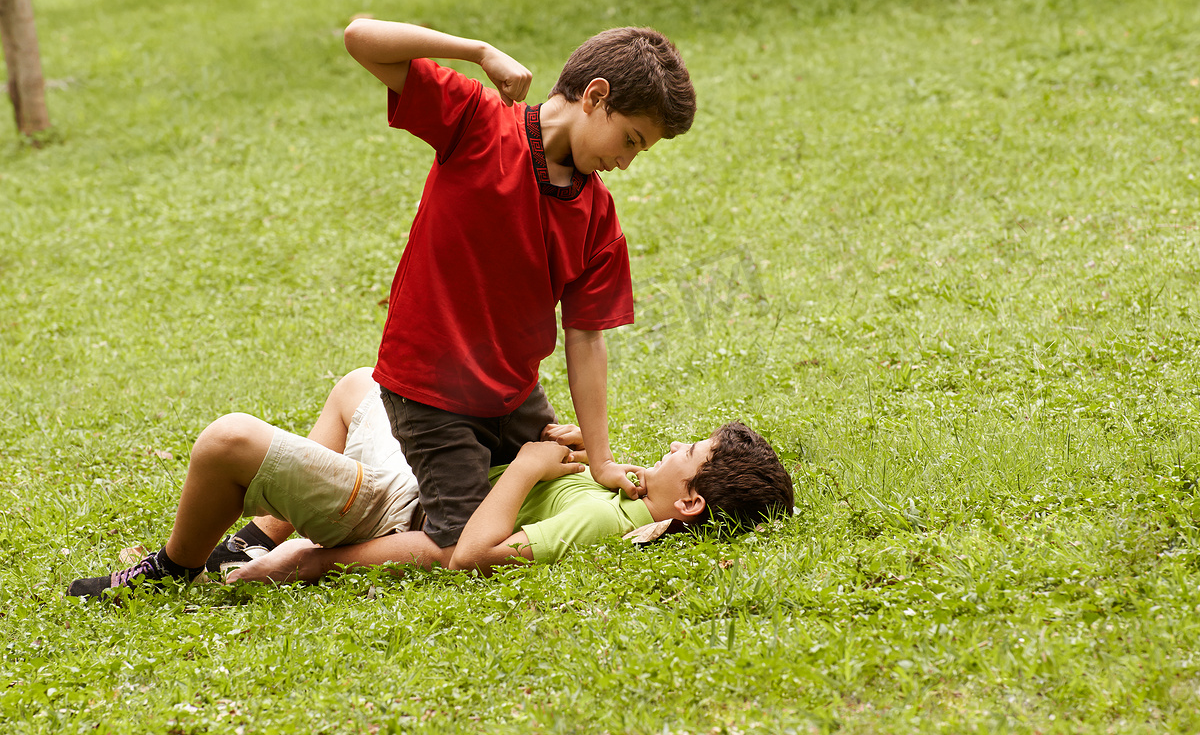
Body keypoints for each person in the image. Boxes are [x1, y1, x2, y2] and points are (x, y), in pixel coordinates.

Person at [335, 19, 698, 562]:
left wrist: (600, 460)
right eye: (630, 140)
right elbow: (360, 38)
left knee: (559, 483)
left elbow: (587, 339)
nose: (625, 162)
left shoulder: (598, 216)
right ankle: (300, 557)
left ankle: (276, 524)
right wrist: (477, 51)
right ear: (596, 97)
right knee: (458, 541)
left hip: (515, 399)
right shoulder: (476, 122)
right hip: (432, 394)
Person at [67, 368, 794, 598]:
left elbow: (465, 552)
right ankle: (253, 535)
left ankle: (173, 569)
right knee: (365, 383)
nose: (673, 445)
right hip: (422, 477)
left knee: (227, 440)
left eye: (688, 451)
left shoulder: (601, 526)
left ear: (691, 500)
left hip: (398, 511)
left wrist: (315, 562)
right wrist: (558, 450)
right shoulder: (627, 498)